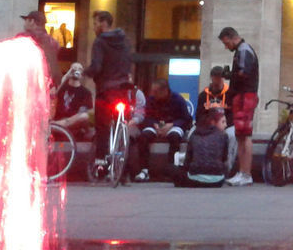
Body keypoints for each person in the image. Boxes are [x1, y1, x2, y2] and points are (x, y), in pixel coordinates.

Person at [85, 10, 135, 174]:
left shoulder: (100, 42)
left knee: (103, 127)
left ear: (103, 23)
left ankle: (101, 164)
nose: (94, 27)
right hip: (122, 89)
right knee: (123, 123)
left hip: (106, 90)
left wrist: (87, 72)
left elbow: (97, 66)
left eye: (95, 23)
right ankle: (125, 170)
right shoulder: (125, 41)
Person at [218, 26, 258, 186]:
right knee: (241, 134)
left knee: (244, 134)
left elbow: (243, 72)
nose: (225, 46)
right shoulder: (243, 50)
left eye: (225, 42)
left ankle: (246, 173)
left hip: (245, 96)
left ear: (231, 37)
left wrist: (230, 75)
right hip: (243, 95)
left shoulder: (243, 50)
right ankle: (243, 172)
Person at [132, 79, 193, 182]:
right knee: (143, 137)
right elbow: (146, 116)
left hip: (172, 125)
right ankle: (144, 170)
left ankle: (171, 168)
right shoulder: (151, 100)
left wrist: (172, 125)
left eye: (155, 92)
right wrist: (154, 125)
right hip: (155, 125)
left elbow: (186, 118)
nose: (153, 94)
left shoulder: (178, 99)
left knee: (175, 137)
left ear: (164, 91)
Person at [178, 108, 232, 188]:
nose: (226, 125)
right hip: (217, 180)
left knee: (173, 170)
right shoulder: (223, 136)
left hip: (194, 178)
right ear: (213, 122)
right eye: (223, 122)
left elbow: (188, 160)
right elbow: (224, 158)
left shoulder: (194, 134)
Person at [53, 63, 94, 139]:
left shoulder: (86, 93)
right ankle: (56, 125)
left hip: (73, 123)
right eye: (74, 68)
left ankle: (55, 125)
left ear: (82, 74)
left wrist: (68, 121)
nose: (76, 71)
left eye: (79, 69)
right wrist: (65, 77)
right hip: (59, 119)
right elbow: (51, 96)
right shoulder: (61, 88)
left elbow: (82, 113)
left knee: (84, 116)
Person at [20, 9, 61, 84]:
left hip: (27, 82)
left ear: (32, 21)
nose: (24, 24)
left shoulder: (22, 38)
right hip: (47, 83)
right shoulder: (54, 42)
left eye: (26, 20)